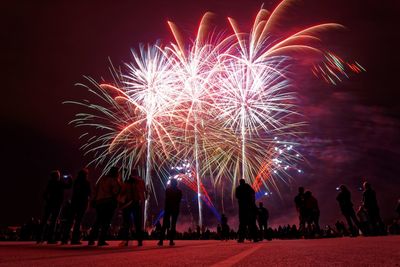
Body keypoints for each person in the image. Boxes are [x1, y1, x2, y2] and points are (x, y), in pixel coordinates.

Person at [37, 170, 72, 244]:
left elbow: (44, 194)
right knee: (53, 221)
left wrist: (48, 200)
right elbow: (69, 186)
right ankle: (50, 239)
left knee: (44, 220)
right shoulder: (59, 183)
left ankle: (39, 238)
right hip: (57, 204)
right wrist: (70, 179)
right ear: (57, 176)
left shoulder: (50, 183)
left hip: (49, 204)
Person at [88, 167, 120, 246]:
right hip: (108, 202)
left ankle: (91, 239)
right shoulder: (113, 180)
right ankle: (101, 240)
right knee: (106, 222)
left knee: (98, 221)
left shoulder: (102, 179)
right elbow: (115, 191)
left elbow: (96, 190)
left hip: (99, 202)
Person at [60, 169, 91, 244]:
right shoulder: (86, 182)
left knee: (70, 221)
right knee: (78, 222)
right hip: (82, 203)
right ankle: (74, 239)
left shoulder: (76, 182)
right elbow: (88, 194)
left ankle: (65, 238)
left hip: (74, 203)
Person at [118, 169, 147, 247]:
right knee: (138, 223)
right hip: (137, 203)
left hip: (127, 204)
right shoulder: (141, 182)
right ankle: (139, 240)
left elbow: (122, 193)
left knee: (126, 223)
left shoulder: (127, 182)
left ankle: (126, 240)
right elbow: (145, 192)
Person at [158, 178, 182, 246]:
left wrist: (166, 209)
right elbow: (178, 201)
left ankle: (161, 241)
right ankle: (171, 241)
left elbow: (166, 200)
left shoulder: (168, 190)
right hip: (175, 209)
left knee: (164, 225)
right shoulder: (179, 191)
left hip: (168, 209)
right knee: (173, 225)